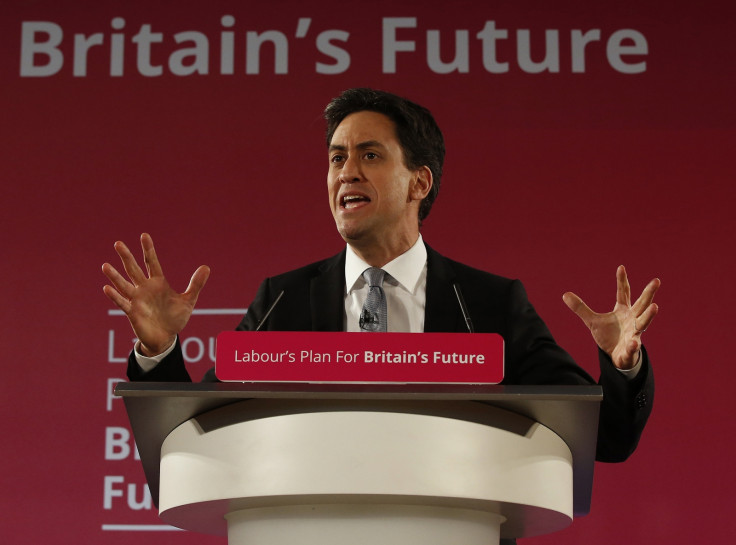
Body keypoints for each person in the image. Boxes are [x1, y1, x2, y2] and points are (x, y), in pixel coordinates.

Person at [102, 88, 659, 466]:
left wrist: (622, 365)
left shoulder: (488, 303)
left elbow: (604, 436)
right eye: (336, 156)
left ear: (419, 182)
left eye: (370, 155)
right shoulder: (284, 300)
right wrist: (159, 351)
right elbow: (198, 434)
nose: (346, 171)